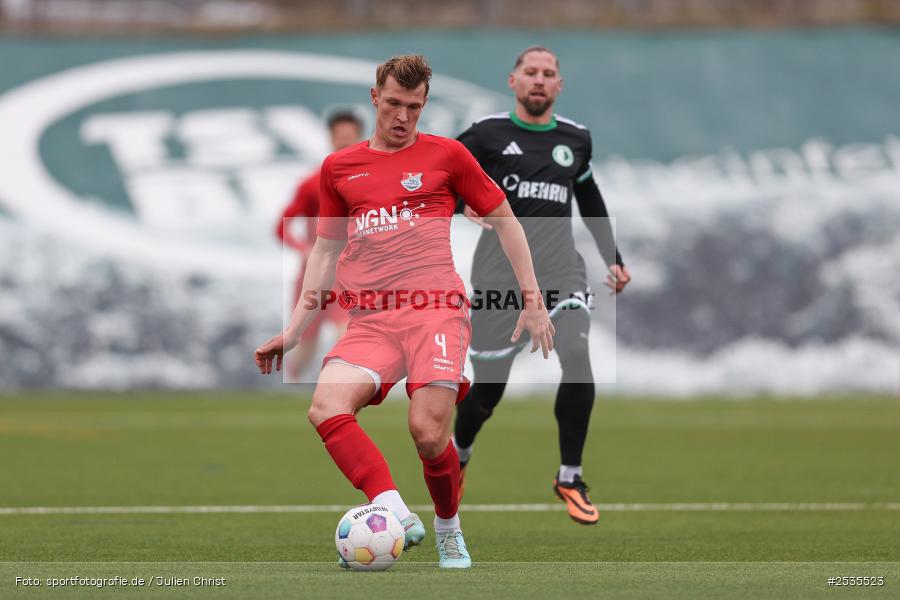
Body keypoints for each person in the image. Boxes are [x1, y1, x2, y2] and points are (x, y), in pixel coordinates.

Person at [254, 54, 555, 569]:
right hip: (371, 320)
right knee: (325, 407)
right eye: (393, 103)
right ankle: (394, 511)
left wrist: (533, 299)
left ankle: (448, 527)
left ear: (424, 105)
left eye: (413, 107)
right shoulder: (339, 169)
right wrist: (295, 330)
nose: (402, 116)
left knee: (428, 431)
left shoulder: (447, 156)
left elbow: (506, 221)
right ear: (375, 97)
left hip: (435, 312)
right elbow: (325, 251)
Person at [452, 46, 632, 525]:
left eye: (548, 73)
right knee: (486, 395)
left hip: (560, 273)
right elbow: (440, 179)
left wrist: (612, 256)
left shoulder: (576, 139)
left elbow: (589, 196)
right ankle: (460, 452)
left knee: (576, 350)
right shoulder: (486, 134)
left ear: (559, 85)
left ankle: (569, 475)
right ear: (512, 80)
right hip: (497, 279)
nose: (538, 79)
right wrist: (460, 206)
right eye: (530, 72)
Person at [275, 111, 363, 378]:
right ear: (331, 139)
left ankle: (336, 391)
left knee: (345, 331)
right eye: (341, 138)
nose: (345, 143)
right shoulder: (313, 184)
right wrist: (303, 248)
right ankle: (295, 383)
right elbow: (282, 226)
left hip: (348, 274)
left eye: (351, 138)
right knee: (306, 347)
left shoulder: (368, 182)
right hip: (314, 275)